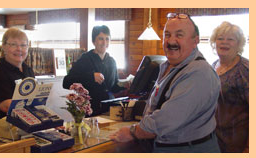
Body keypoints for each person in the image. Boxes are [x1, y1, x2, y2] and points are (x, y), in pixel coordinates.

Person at [110, 13, 221, 153]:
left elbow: (167, 119)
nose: (171, 41)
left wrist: (132, 132)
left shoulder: (199, 72)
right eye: (167, 35)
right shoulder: (170, 66)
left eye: (179, 35)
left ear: (195, 41)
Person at [63, 25, 126, 116]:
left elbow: (113, 87)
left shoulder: (112, 61)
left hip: (110, 110)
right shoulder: (85, 59)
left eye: (107, 39)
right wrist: (91, 77)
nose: (104, 42)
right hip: (91, 110)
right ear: (93, 41)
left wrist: (126, 84)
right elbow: (66, 82)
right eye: (101, 38)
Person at [210, 21, 249, 153]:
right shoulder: (212, 66)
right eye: (220, 38)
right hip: (212, 139)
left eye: (230, 39)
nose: (224, 42)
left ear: (239, 44)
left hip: (236, 143)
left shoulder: (246, 70)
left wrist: (249, 149)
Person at [0, 27, 34, 121]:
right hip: (6, 131)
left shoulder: (28, 70)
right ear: (4, 46)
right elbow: (6, 106)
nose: (19, 49)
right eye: (13, 45)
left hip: (29, 124)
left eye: (23, 45)